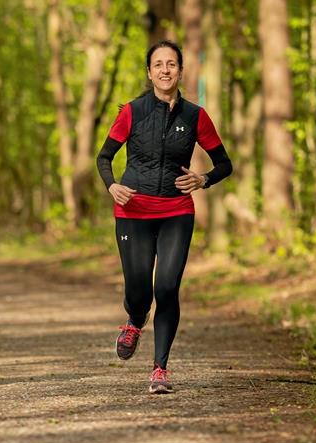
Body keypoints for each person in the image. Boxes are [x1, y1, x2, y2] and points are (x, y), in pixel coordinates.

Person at [96, 40, 232, 394]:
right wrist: (112, 186)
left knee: (167, 287)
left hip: (176, 210)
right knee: (139, 291)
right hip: (133, 209)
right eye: (158, 64)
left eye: (171, 64)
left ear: (180, 71)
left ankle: (160, 370)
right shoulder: (132, 112)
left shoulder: (195, 116)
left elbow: (224, 164)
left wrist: (203, 179)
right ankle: (135, 320)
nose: (165, 70)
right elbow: (104, 158)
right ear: (150, 72)